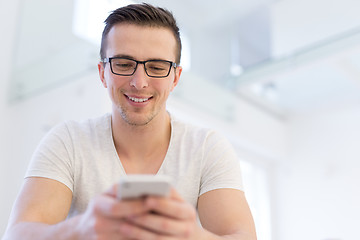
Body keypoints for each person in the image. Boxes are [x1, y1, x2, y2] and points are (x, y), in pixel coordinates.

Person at [3, 3, 256, 240]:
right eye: (124, 64)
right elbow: (16, 234)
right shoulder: (68, 141)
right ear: (103, 73)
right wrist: (81, 227)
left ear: (175, 78)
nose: (139, 82)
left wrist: (191, 234)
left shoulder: (206, 148)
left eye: (156, 67)